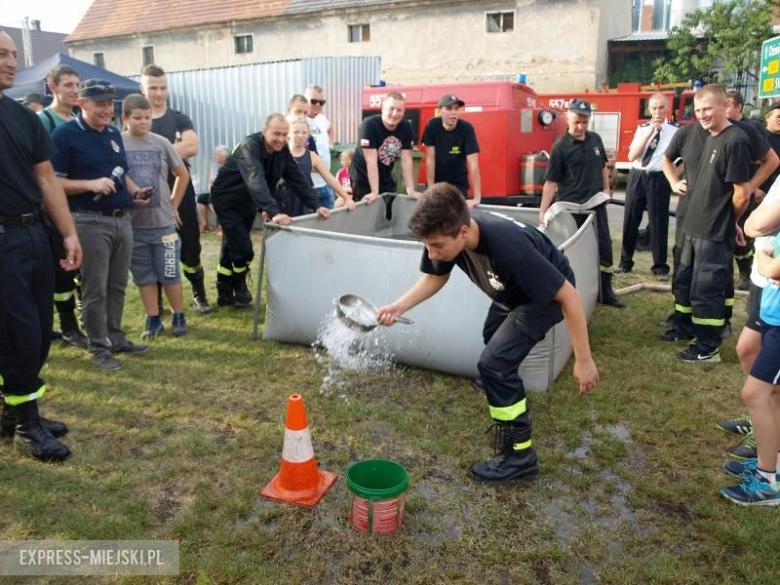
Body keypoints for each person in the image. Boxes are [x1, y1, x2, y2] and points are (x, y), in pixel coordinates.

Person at [376, 183, 599, 483]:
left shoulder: (508, 246)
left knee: (494, 364)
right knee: (492, 340)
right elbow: (435, 276)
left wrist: (584, 361)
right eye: (427, 244)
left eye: (437, 246)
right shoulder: (446, 231)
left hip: (543, 297)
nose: (432, 253)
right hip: (511, 292)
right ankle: (502, 385)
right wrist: (399, 306)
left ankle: (520, 456)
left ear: (464, 232)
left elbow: (569, 296)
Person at [0, 30, 82, 461]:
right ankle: (26, 426)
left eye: (14, 54)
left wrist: (67, 232)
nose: (12, 62)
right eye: (2, 54)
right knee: (18, 333)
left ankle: (16, 412)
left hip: (33, 235)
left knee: (39, 333)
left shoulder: (22, 117)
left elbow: (47, 178)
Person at [51, 79, 151, 372]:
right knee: (95, 287)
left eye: (110, 103)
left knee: (118, 284)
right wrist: (89, 184)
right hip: (89, 221)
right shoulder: (64, 135)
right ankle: (99, 347)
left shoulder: (112, 134)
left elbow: (123, 174)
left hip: (122, 219)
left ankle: (116, 337)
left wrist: (135, 193)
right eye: (100, 103)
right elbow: (53, 183)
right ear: (82, 104)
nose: (107, 109)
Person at [667, 84, 751, 363]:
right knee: (689, 285)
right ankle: (693, 334)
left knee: (707, 290)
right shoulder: (713, 136)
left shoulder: (734, 140)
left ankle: (707, 349)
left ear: (724, 105)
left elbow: (741, 193)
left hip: (713, 231)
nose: (702, 115)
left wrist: (731, 221)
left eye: (708, 109)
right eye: (698, 110)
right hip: (693, 225)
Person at [210, 113, 330, 308]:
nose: (281, 139)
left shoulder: (281, 150)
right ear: (264, 131)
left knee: (232, 245)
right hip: (227, 201)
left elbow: (296, 177)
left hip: (248, 200)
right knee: (244, 249)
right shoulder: (250, 146)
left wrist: (316, 204)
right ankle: (239, 285)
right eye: (276, 134)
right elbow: (255, 179)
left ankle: (224, 292)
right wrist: (273, 210)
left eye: (284, 135)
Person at [719, 193, 780, 506]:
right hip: (772, 313)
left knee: (754, 394)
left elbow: (772, 269)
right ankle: (772, 465)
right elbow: (756, 225)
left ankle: (768, 483)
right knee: (772, 394)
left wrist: (764, 256)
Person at [140, 64, 212, 315]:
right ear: (142, 88)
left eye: (162, 88)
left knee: (191, 245)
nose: (158, 93)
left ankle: (199, 294)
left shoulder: (179, 117)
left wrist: (152, 151)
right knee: (154, 250)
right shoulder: (138, 119)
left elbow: (192, 147)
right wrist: (172, 148)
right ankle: (157, 303)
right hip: (150, 195)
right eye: (152, 88)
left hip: (182, 191)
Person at [539, 98, 624, 308]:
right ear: (568, 118)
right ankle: (574, 293)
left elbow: (603, 165)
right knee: (573, 253)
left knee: (604, 248)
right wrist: (543, 212)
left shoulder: (595, 139)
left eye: (585, 122)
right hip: (571, 209)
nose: (581, 127)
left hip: (595, 206)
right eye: (577, 121)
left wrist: (606, 189)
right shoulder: (560, 147)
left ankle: (606, 292)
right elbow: (551, 182)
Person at [121, 94, 190, 339]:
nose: (144, 122)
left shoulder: (161, 143)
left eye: (148, 117)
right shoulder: (117, 143)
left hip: (163, 224)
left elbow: (182, 174)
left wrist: (173, 204)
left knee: (169, 272)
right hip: (133, 225)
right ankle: (153, 319)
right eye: (138, 118)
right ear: (125, 118)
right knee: (144, 275)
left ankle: (178, 315)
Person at [38, 64, 88, 348]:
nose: (74, 90)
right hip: (55, 211)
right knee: (63, 269)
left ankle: (83, 320)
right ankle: (68, 326)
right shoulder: (42, 121)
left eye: (77, 85)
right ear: (52, 87)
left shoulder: (81, 120)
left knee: (81, 269)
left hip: (85, 208)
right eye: (67, 85)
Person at [616, 93, 678, 281]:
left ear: (667, 108)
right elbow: (631, 156)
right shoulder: (642, 129)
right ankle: (625, 262)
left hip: (659, 177)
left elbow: (681, 159)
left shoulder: (676, 131)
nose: (657, 112)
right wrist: (650, 132)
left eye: (661, 108)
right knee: (631, 219)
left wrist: (674, 177)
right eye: (654, 108)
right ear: (649, 110)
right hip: (638, 176)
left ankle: (660, 266)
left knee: (659, 222)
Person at [725, 90, 779, 291]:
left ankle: (747, 273)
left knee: (744, 236)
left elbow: (764, 160)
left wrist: (752, 187)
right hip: (734, 189)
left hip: (755, 193)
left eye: (727, 104)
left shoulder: (751, 128)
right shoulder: (722, 130)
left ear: (738, 106)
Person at [350, 92, 421, 203]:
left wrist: (411, 190)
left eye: (399, 110)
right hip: (363, 180)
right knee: (369, 215)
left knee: (389, 213)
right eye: (391, 109)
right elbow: (371, 161)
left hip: (386, 177)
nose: (395, 113)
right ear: (383, 108)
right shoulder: (369, 125)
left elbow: (406, 160)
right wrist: (374, 192)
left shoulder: (406, 127)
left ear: (404, 111)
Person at [421, 93, 482, 207]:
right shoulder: (432, 125)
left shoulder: (467, 128)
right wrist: (430, 188)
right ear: (440, 111)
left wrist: (477, 197)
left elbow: (473, 165)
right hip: (437, 183)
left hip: (458, 184)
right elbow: (430, 160)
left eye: (456, 109)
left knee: (456, 218)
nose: (453, 112)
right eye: (449, 108)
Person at [285, 115, 355, 213]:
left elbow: (330, 179)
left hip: (304, 204)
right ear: (288, 133)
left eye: (304, 132)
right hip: (283, 202)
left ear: (308, 134)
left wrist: (347, 198)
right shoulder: (280, 154)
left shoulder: (312, 156)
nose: (300, 135)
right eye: (296, 132)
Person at [304, 84, 335, 209]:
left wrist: (330, 144)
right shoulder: (297, 120)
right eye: (314, 101)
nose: (318, 105)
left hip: (325, 183)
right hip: (308, 186)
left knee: (330, 223)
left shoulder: (322, 119)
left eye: (321, 102)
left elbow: (331, 128)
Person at [201, 144, 228, 233]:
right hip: (215, 191)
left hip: (225, 193)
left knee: (212, 199)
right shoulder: (215, 165)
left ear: (224, 156)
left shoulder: (230, 165)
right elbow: (210, 181)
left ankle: (222, 226)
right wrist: (211, 190)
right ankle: (205, 224)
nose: (215, 157)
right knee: (201, 199)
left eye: (217, 155)